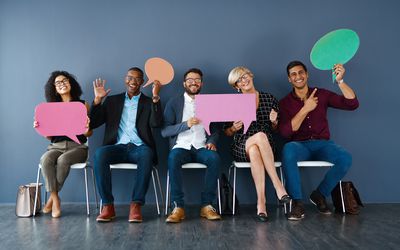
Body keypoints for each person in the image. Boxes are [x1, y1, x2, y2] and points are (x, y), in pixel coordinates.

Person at [279, 61, 359, 221]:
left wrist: (340, 81)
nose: (298, 77)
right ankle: (297, 203)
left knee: (345, 158)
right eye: (293, 74)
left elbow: (352, 104)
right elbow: (285, 132)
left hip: (323, 144)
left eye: (301, 72)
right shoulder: (284, 103)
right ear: (289, 79)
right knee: (288, 149)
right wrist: (305, 109)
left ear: (307, 74)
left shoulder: (322, 94)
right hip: (299, 146)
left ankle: (320, 194)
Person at [90, 67, 162, 223]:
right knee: (99, 154)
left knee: (147, 154)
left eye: (137, 79)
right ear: (125, 79)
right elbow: (94, 123)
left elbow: (156, 124)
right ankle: (108, 205)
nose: (133, 81)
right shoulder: (112, 101)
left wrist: (156, 97)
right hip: (117, 146)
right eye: (130, 77)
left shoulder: (148, 102)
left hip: (139, 147)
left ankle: (136, 205)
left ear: (142, 82)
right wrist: (97, 101)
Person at [224, 66, 291, 222]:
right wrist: (234, 127)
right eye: (239, 80)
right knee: (258, 137)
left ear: (251, 76)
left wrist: (274, 122)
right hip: (241, 144)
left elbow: (275, 130)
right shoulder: (232, 102)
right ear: (236, 86)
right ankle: (278, 186)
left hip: (266, 145)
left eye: (245, 75)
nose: (244, 80)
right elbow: (226, 132)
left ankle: (261, 203)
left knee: (256, 148)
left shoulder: (269, 98)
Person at [162, 68, 221, 223]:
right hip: (181, 146)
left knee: (214, 158)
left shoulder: (209, 103)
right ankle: (178, 207)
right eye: (190, 80)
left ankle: (207, 205)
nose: (193, 82)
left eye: (197, 80)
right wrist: (185, 124)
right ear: (184, 83)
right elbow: (165, 131)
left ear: (201, 83)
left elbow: (215, 131)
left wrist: (211, 142)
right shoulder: (174, 102)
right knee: (173, 158)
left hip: (202, 146)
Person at [34, 71, 92, 218]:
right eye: (58, 83)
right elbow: (50, 137)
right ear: (54, 88)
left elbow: (88, 134)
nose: (62, 84)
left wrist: (86, 130)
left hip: (78, 147)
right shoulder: (50, 107)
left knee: (63, 160)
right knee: (45, 159)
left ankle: (53, 200)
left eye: (64, 81)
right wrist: (40, 128)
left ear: (70, 83)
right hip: (56, 146)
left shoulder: (83, 104)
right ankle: (55, 198)